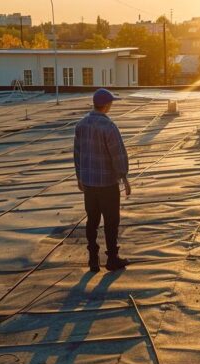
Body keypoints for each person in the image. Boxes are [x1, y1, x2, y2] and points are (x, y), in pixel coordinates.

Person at [73, 89, 131, 272]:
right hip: (107, 183)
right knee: (111, 221)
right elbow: (117, 154)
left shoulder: (81, 125)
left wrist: (79, 176)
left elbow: (77, 154)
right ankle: (112, 258)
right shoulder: (109, 127)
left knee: (92, 220)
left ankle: (93, 258)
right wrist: (124, 176)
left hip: (89, 183)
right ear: (107, 105)